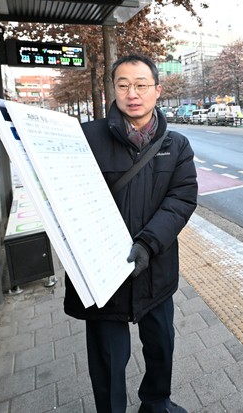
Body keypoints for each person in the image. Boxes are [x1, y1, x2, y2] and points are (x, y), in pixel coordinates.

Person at [63, 54, 198, 413]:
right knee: (108, 361)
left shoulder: (176, 145)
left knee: (161, 345)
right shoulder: (85, 137)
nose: (132, 93)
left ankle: (156, 403)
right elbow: (67, 194)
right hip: (103, 274)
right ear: (113, 89)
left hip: (155, 269)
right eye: (123, 85)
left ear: (157, 90)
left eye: (141, 85)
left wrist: (148, 243)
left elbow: (182, 198)